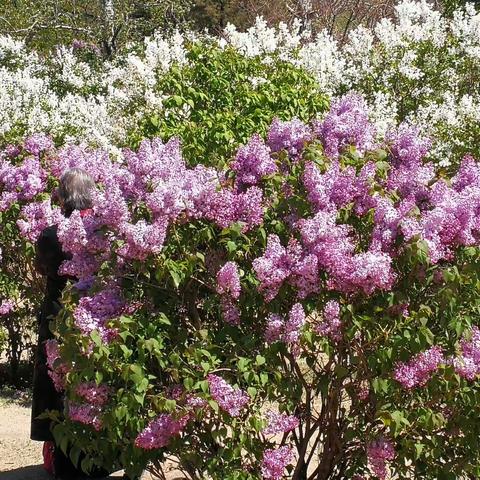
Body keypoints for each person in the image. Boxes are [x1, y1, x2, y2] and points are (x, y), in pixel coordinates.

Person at [30, 168, 106, 479]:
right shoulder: (105, 230)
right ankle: (100, 461)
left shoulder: (50, 235)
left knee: (60, 386)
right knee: (97, 386)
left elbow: (43, 267)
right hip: (102, 316)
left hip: (60, 318)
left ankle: (65, 460)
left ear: (63, 197)